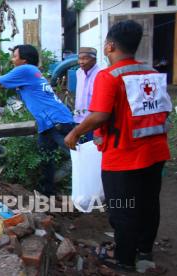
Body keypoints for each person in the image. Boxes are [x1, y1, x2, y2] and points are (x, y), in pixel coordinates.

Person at [65, 20, 172, 273]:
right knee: (148, 204)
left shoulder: (109, 76)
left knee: (122, 208)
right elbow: (162, 112)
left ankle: (124, 260)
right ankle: (144, 250)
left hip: (123, 157)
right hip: (155, 152)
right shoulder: (153, 74)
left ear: (110, 46)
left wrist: (75, 132)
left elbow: (100, 115)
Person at [0, 45, 75, 196]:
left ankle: (88, 189)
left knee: (77, 157)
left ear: (24, 59)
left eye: (15, 56)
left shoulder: (25, 70)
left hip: (56, 121)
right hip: (49, 123)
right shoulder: (32, 71)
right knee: (46, 159)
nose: (12, 60)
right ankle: (47, 194)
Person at [74, 47, 100, 142]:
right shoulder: (78, 72)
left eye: (85, 58)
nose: (81, 62)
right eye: (80, 58)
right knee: (81, 148)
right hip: (79, 119)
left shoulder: (100, 73)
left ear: (94, 60)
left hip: (93, 120)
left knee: (93, 148)